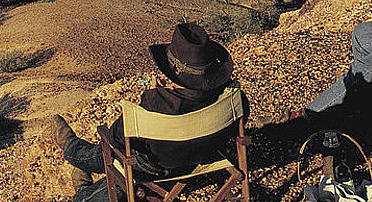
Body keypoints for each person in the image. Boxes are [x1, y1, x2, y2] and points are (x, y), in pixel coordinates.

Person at [49, 22, 241, 200]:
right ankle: (77, 159)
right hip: (201, 160)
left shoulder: (155, 104)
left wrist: (156, 95)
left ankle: (73, 155)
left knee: (107, 154)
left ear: (172, 70)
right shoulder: (231, 99)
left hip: (153, 168)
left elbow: (116, 139)